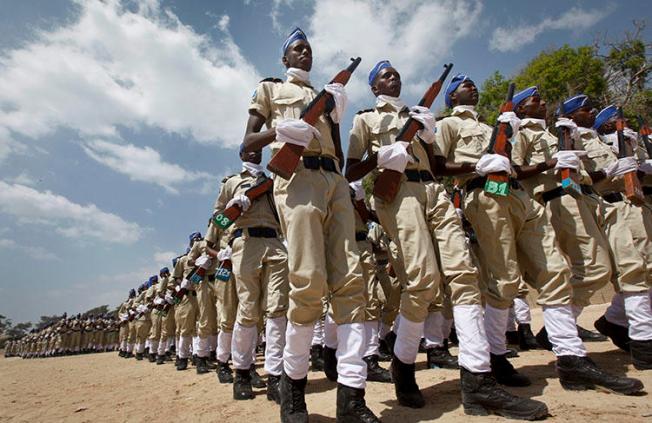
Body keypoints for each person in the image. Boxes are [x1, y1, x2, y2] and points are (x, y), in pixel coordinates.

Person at [346, 60, 548, 419]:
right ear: (374, 88)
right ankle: (403, 363)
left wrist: (441, 144)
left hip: (433, 190)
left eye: (396, 73)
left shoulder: (422, 114)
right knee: (423, 282)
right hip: (397, 194)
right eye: (384, 76)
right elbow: (352, 170)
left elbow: (438, 166)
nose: (393, 79)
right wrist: (379, 156)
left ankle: (477, 380)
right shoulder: (365, 119)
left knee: (465, 275)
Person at [433, 74, 643, 395]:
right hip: (484, 191)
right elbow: (437, 166)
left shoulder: (497, 124)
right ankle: (495, 356)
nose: (472, 87)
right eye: (464, 86)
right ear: (451, 98)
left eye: (475, 84)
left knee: (556, 270)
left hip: (519, 195)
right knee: (503, 280)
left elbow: (514, 164)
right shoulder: (447, 124)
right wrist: (476, 164)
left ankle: (570, 356)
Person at [243, 27, 378, 423]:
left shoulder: (326, 95)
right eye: (297, 50)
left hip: (333, 180)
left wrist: (334, 114)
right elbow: (247, 143)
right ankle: (293, 389)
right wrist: (279, 132)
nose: (306, 55)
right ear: (284, 59)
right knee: (307, 282)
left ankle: (352, 395)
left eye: (309, 50)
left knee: (351, 282)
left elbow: (337, 148)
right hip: (297, 179)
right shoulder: (269, 90)